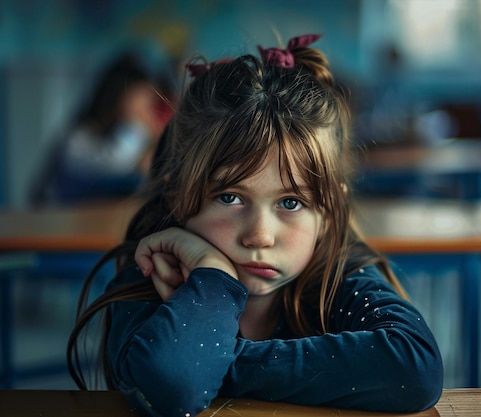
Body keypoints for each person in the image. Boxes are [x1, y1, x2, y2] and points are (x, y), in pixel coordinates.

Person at [67, 34, 443, 417]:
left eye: (291, 202)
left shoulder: (336, 277)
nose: (259, 235)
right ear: (180, 194)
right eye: (230, 198)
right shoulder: (147, 279)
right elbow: (172, 386)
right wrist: (212, 276)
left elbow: (413, 370)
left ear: (329, 211)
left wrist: (222, 363)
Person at [31, 52, 173, 205]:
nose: (149, 112)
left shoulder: (131, 140)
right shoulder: (80, 139)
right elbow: (117, 164)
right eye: (145, 103)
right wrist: (138, 128)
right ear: (119, 98)